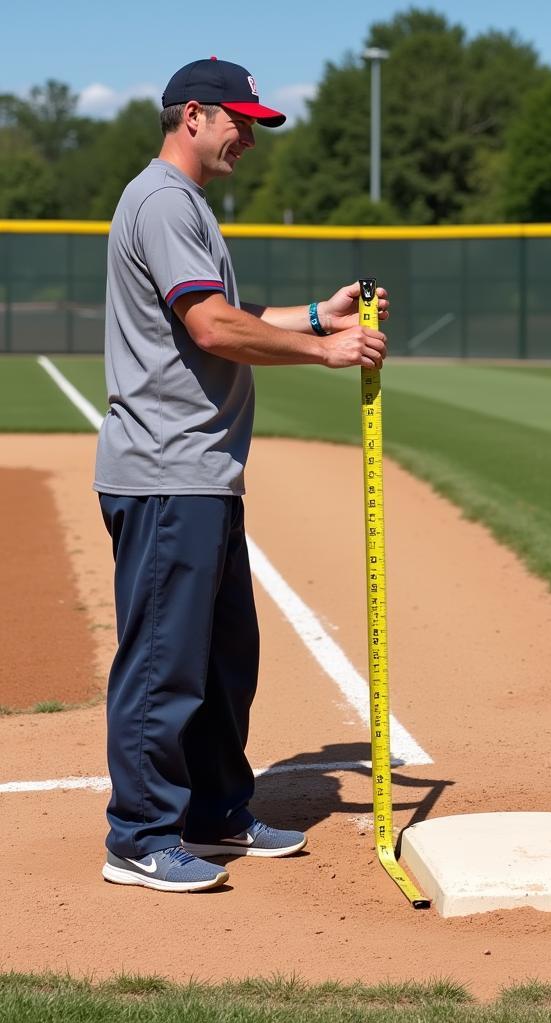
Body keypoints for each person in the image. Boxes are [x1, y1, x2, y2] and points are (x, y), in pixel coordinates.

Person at [94, 57, 388, 893]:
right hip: (165, 471)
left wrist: (312, 315)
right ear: (193, 114)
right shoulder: (159, 200)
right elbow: (214, 328)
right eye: (240, 121)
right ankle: (140, 836)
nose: (250, 138)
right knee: (164, 662)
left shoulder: (183, 206)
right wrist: (326, 350)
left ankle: (215, 812)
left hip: (203, 472)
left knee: (225, 658)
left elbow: (224, 315)